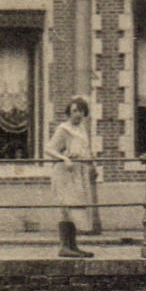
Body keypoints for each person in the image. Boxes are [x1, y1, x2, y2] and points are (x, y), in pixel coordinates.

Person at [44, 96, 96, 258]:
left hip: (79, 170)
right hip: (66, 171)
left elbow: (85, 150)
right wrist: (65, 159)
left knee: (76, 206)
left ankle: (73, 246)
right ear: (69, 113)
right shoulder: (63, 129)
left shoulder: (82, 129)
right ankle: (65, 246)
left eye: (80, 111)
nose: (78, 114)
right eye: (74, 111)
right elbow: (49, 149)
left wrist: (92, 165)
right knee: (66, 207)